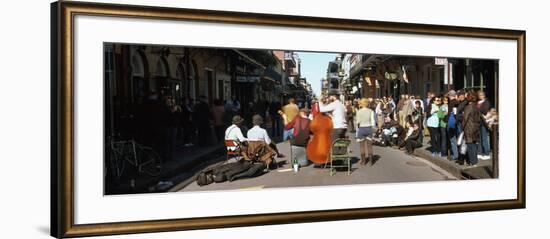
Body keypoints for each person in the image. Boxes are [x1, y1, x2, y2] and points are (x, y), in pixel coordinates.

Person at [462, 91, 483, 167]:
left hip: (469, 128)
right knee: (474, 145)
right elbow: (480, 118)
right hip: (476, 128)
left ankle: (473, 162)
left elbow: (465, 118)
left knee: (470, 145)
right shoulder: (476, 106)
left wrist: (463, 127)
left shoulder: (468, 107)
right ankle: (475, 161)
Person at [355, 98, 376, 165]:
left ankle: (363, 161)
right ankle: (370, 161)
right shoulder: (371, 111)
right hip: (369, 128)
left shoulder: (359, 111)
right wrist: (373, 130)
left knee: (362, 146)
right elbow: (373, 122)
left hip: (361, 128)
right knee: (369, 146)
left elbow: (357, 122)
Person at [477, 91, 492, 160]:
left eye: (481, 95)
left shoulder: (486, 102)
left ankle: (487, 153)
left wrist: (477, 110)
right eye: (479, 95)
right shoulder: (478, 102)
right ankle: (479, 153)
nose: (480, 96)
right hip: (479, 122)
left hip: (484, 122)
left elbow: (485, 111)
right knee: (479, 138)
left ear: (484, 95)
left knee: (484, 138)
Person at [447, 90, 460, 161]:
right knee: (457, 139)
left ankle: (455, 155)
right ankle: (457, 154)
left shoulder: (452, 103)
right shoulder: (457, 102)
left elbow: (451, 114)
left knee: (453, 139)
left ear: (449, 96)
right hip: (456, 122)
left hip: (452, 122)